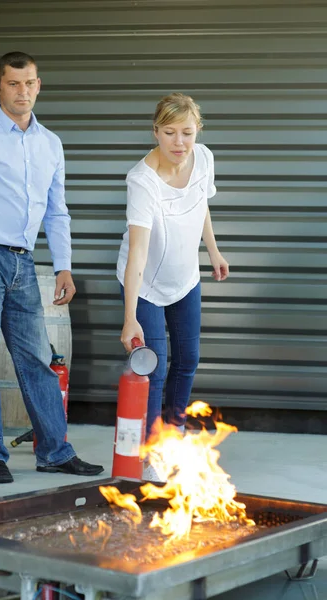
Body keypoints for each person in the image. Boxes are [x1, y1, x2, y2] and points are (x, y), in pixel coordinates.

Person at [0, 51, 104, 483]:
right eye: (13, 83)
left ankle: (54, 451)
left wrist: (63, 266)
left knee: (37, 359)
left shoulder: (50, 143)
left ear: (38, 85)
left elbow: (57, 212)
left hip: (23, 262)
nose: (22, 92)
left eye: (29, 83)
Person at [117, 93, 229, 459]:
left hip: (185, 278)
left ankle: (173, 435)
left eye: (187, 132)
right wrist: (130, 315)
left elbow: (201, 205)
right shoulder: (142, 181)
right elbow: (137, 252)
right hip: (145, 284)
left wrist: (212, 251)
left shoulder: (205, 158)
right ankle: (149, 454)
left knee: (188, 360)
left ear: (197, 130)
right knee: (156, 367)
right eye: (169, 133)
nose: (179, 142)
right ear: (156, 132)